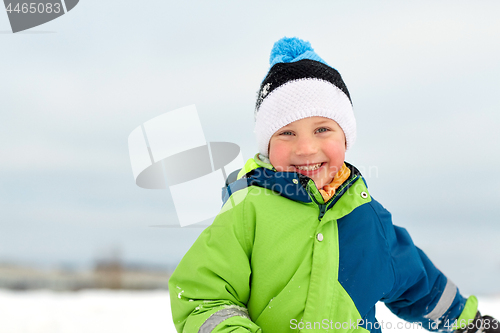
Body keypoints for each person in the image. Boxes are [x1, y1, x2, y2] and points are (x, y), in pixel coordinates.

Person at [168, 37, 499, 333]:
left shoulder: (369, 219)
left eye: (322, 129)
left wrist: (471, 324)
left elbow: (421, 284)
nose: (306, 148)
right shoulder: (247, 211)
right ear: (266, 146)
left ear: (346, 137)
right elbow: (203, 296)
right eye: (286, 133)